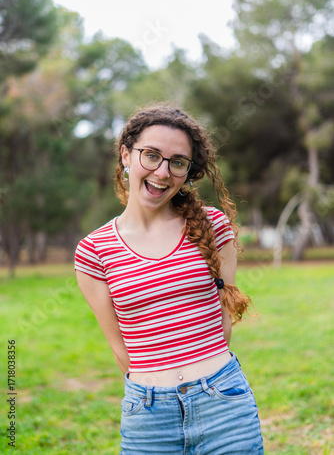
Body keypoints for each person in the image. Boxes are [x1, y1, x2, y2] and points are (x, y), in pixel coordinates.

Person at [75, 103, 264, 454]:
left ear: (188, 172)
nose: (162, 172)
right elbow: (121, 350)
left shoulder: (213, 227)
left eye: (177, 162)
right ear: (125, 155)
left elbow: (223, 325)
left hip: (224, 403)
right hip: (148, 417)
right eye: (151, 155)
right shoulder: (93, 252)